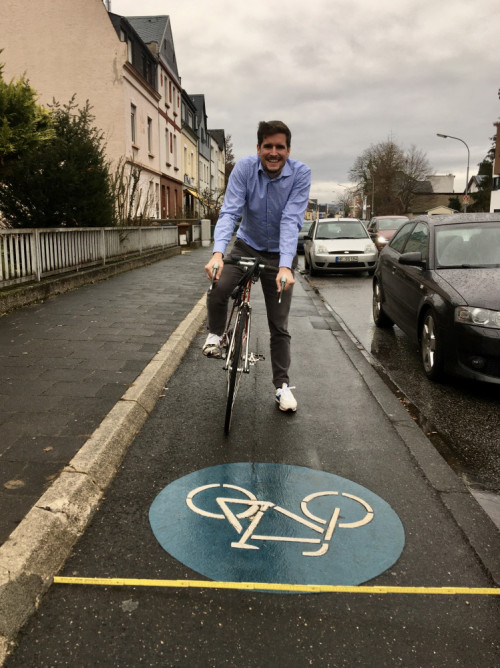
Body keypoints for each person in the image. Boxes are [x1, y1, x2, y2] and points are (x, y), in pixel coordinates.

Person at [203, 120, 311, 412]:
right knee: (218, 286)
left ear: (288, 150)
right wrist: (217, 253)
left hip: (279, 255)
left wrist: (286, 266)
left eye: (280, 147)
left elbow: (291, 219)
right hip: (247, 245)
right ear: (259, 148)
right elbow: (230, 211)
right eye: (268, 146)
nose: (274, 152)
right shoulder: (244, 169)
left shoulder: (301, 174)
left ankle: (282, 387)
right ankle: (217, 335)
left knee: (279, 324)